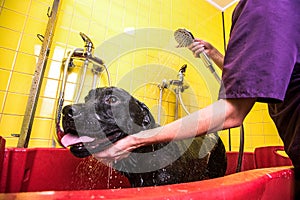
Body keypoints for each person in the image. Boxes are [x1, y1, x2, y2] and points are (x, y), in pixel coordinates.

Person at [94, 0, 300, 197]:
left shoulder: (266, 5)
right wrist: (216, 55)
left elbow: (232, 113)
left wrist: (134, 140)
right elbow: (254, 76)